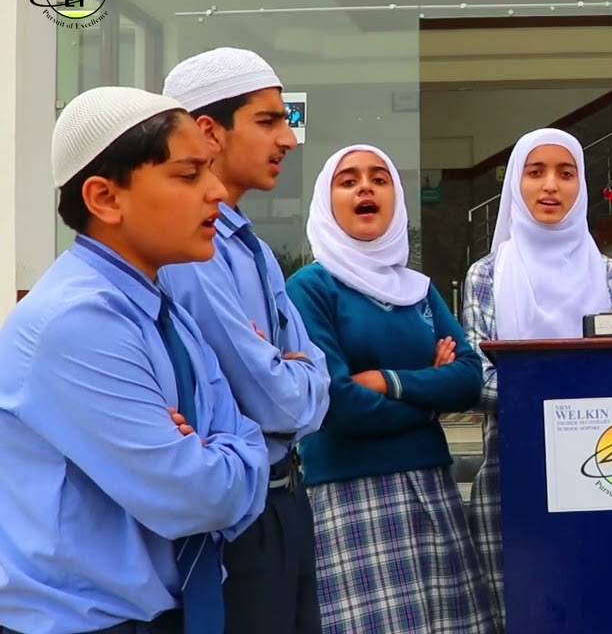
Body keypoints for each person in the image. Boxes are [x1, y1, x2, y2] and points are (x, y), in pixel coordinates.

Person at [0, 87, 270, 634]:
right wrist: (214, 453)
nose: (217, 192)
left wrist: (207, 448)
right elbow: (198, 497)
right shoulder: (77, 323)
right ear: (105, 198)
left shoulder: (161, 308)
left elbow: (250, 442)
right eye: (189, 174)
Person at [285, 144, 497, 634]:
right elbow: (338, 403)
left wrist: (388, 381)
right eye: (348, 180)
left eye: (379, 179)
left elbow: (467, 377)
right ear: (327, 200)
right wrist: (428, 402)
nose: (365, 188)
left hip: (432, 489)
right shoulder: (312, 288)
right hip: (348, 495)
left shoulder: (417, 290)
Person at [159, 47, 331, 633]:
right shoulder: (192, 249)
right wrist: (290, 369)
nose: (287, 139)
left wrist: (292, 369)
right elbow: (274, 399)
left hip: (286, 496)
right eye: (268, 121)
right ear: (208, 132)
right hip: (234, 522)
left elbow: (313, 382)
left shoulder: (249, 243)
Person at [462, 128, 612, 630]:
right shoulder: (487, 275)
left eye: (565, 173)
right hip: (511, 471)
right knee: (519, 609)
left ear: (581, 185)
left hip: (604, 470)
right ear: (516, 184)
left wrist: (543, 395)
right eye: (535, 173)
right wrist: (572, 402)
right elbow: (477, 375)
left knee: (599, 599)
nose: (550, 186)